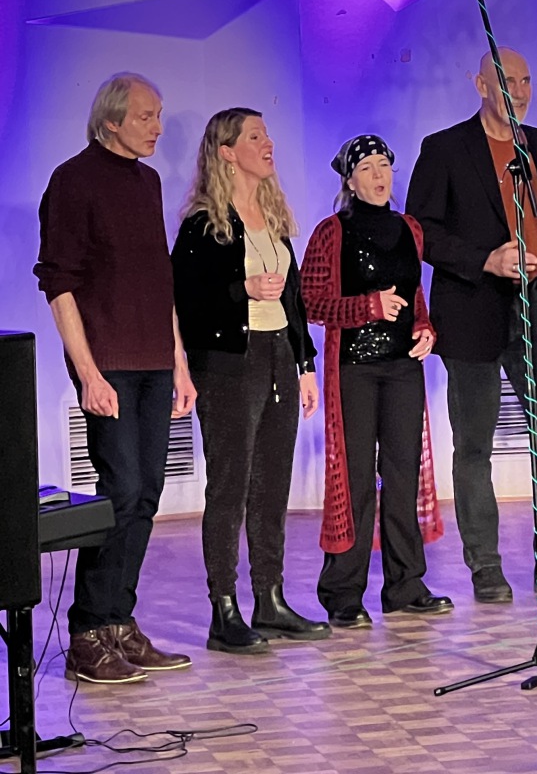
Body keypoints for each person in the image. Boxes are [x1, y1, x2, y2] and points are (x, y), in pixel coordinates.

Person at [407, 50, 537, 602]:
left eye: (525, 81)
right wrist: (485, 260)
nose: (518, 91)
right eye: (506, 81)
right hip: (471, 309)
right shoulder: (444, 148)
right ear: (480, 85)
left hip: (536, 306)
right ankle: (486, 566)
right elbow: (421, 232)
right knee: (475, 444)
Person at [35, 73, 197, 683]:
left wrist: (179, 361)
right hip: (107, 364)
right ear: (111, 122)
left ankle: (119, 624)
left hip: (154, 360)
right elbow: (59, 283)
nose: (158, 127)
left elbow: (159, 281)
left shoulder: (147, 182)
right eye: (146, 116)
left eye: (159, 115)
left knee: (147, 492)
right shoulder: (72, 180)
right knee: (121, 490)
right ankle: (87, 634)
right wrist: (87, 373)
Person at [173, 108, 330, 653]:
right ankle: (224, 609)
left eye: (268, 134)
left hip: (279, 355)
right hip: (228, 364)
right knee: (231, 486)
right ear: (226, 152)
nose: (269, 144)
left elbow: (294, 300)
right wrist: (242, 289)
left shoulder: (272, 215)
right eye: (255, 136)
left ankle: (271, 599)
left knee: (271, 485)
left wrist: (305, 365)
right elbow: (186, 302)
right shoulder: (203, 225)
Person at [303, 136, 450, 625]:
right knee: (356, 479)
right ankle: (343, 592)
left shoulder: (409, 228)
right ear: (349, 180)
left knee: (403, 473)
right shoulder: (331, 232)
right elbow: (311, 303)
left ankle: (405, 585)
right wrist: (368, 307)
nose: (379, 174)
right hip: (355, 369)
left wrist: (425, 328)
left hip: (403, 367)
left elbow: (414, 294)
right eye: (367, 167)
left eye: (384, 164)